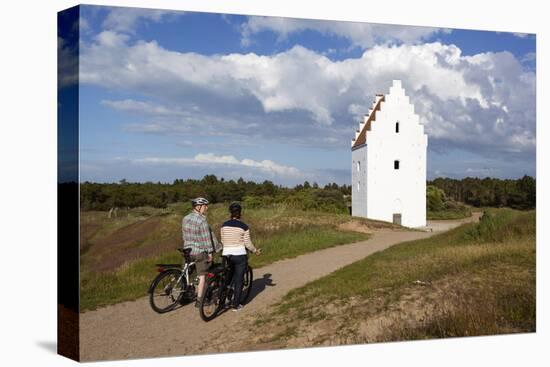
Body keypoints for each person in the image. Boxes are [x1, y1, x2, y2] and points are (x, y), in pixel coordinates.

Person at [220, 202, 261, 311]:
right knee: (239, 280)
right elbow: (247, 243)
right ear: (240, 213)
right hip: (239, 254)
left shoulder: (224, 225)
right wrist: (255, 251)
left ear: (230, 213)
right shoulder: (244, 226)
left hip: (226, 254)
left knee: (227, 277)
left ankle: (221, 300)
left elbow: (223, 240)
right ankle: (236, 305)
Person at [182, 197, 220, 307]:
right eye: (205, 206)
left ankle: (187, 293)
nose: (206, 208)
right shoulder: (202, 220)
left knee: (190, 272)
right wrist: (210, 253)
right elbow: (206, 239)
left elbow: (184, 235)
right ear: (198, 207)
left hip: (187, 250)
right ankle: (200, 300)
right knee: (203, 275)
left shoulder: (185, 218)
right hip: (199, 251)